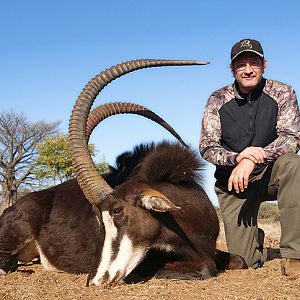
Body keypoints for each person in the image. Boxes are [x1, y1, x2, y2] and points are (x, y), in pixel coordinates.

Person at [199, 38, 300, 278]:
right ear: (232, 69)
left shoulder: (283, 92)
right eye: (241, 64)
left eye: (253, 63)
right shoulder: (217, 99)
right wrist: (238, 158)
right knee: (244, 261)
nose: (248, 69)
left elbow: (292, 139)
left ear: (264, 65)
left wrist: (254, 157)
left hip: (269, 175)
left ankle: (295, 254)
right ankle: (256, 239)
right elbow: (207, 146)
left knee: (294, 166)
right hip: (234, 183)